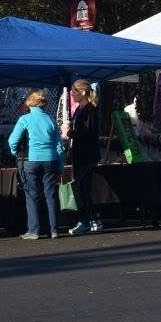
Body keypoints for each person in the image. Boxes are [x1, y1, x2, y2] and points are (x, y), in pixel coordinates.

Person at [8, 89, 64, 239]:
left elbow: (12, 141)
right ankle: (54, 229)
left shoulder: (24, 119)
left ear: (30, 102)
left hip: (30, 159)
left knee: (31, 195)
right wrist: (61, 163)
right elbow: (59, 145)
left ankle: (34, 230)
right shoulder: (51, 119)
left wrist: (15, 152)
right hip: (50, 159)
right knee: (50, 195)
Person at [62, 79, 101, 235]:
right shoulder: (79, 109)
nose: (72, 95)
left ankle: (85, 222)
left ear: (83, 92)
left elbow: (89, 134)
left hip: (87, 155)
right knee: (82, 188)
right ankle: (91, 219)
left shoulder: (90, 110)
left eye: (75, 92)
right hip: (79, 154)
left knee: (85, 189)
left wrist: (70, 133)